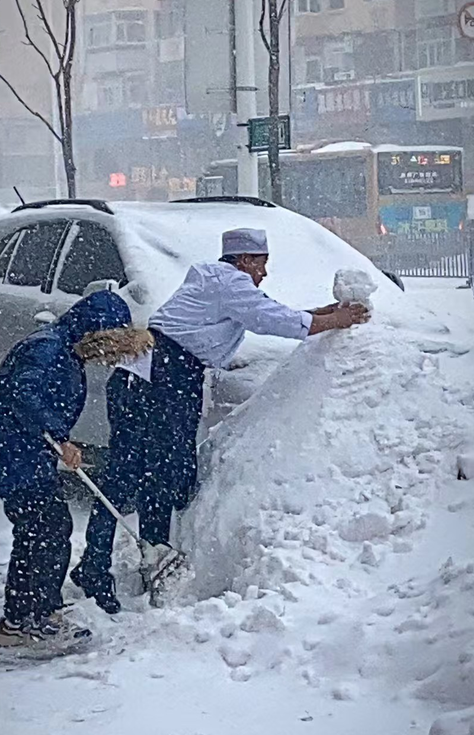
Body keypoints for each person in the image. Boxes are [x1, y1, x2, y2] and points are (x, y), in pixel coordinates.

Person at [71, 228, 370, 612]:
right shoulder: (229, 283)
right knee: (145, 473)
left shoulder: (219, 282)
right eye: (261, 264)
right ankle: (108, 568)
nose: (263, 273)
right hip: (162, 377)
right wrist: (336, 321)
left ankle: (137, 558)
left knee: (150, 474)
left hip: (151, 374)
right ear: (244, 259)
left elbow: (271, 311)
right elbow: (269, 319)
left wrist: (323, 314)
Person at [0, 291, 150, 648]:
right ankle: (41, 619)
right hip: (10, 451)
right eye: (105, 347)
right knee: (49, 529)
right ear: (91, 334)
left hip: (17, 450)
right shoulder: (48, 349)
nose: (104, 357)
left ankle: (17, 623)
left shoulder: (62, 349)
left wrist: (56, 437)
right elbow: (24, 394)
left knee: (35, 532)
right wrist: (59, 438)